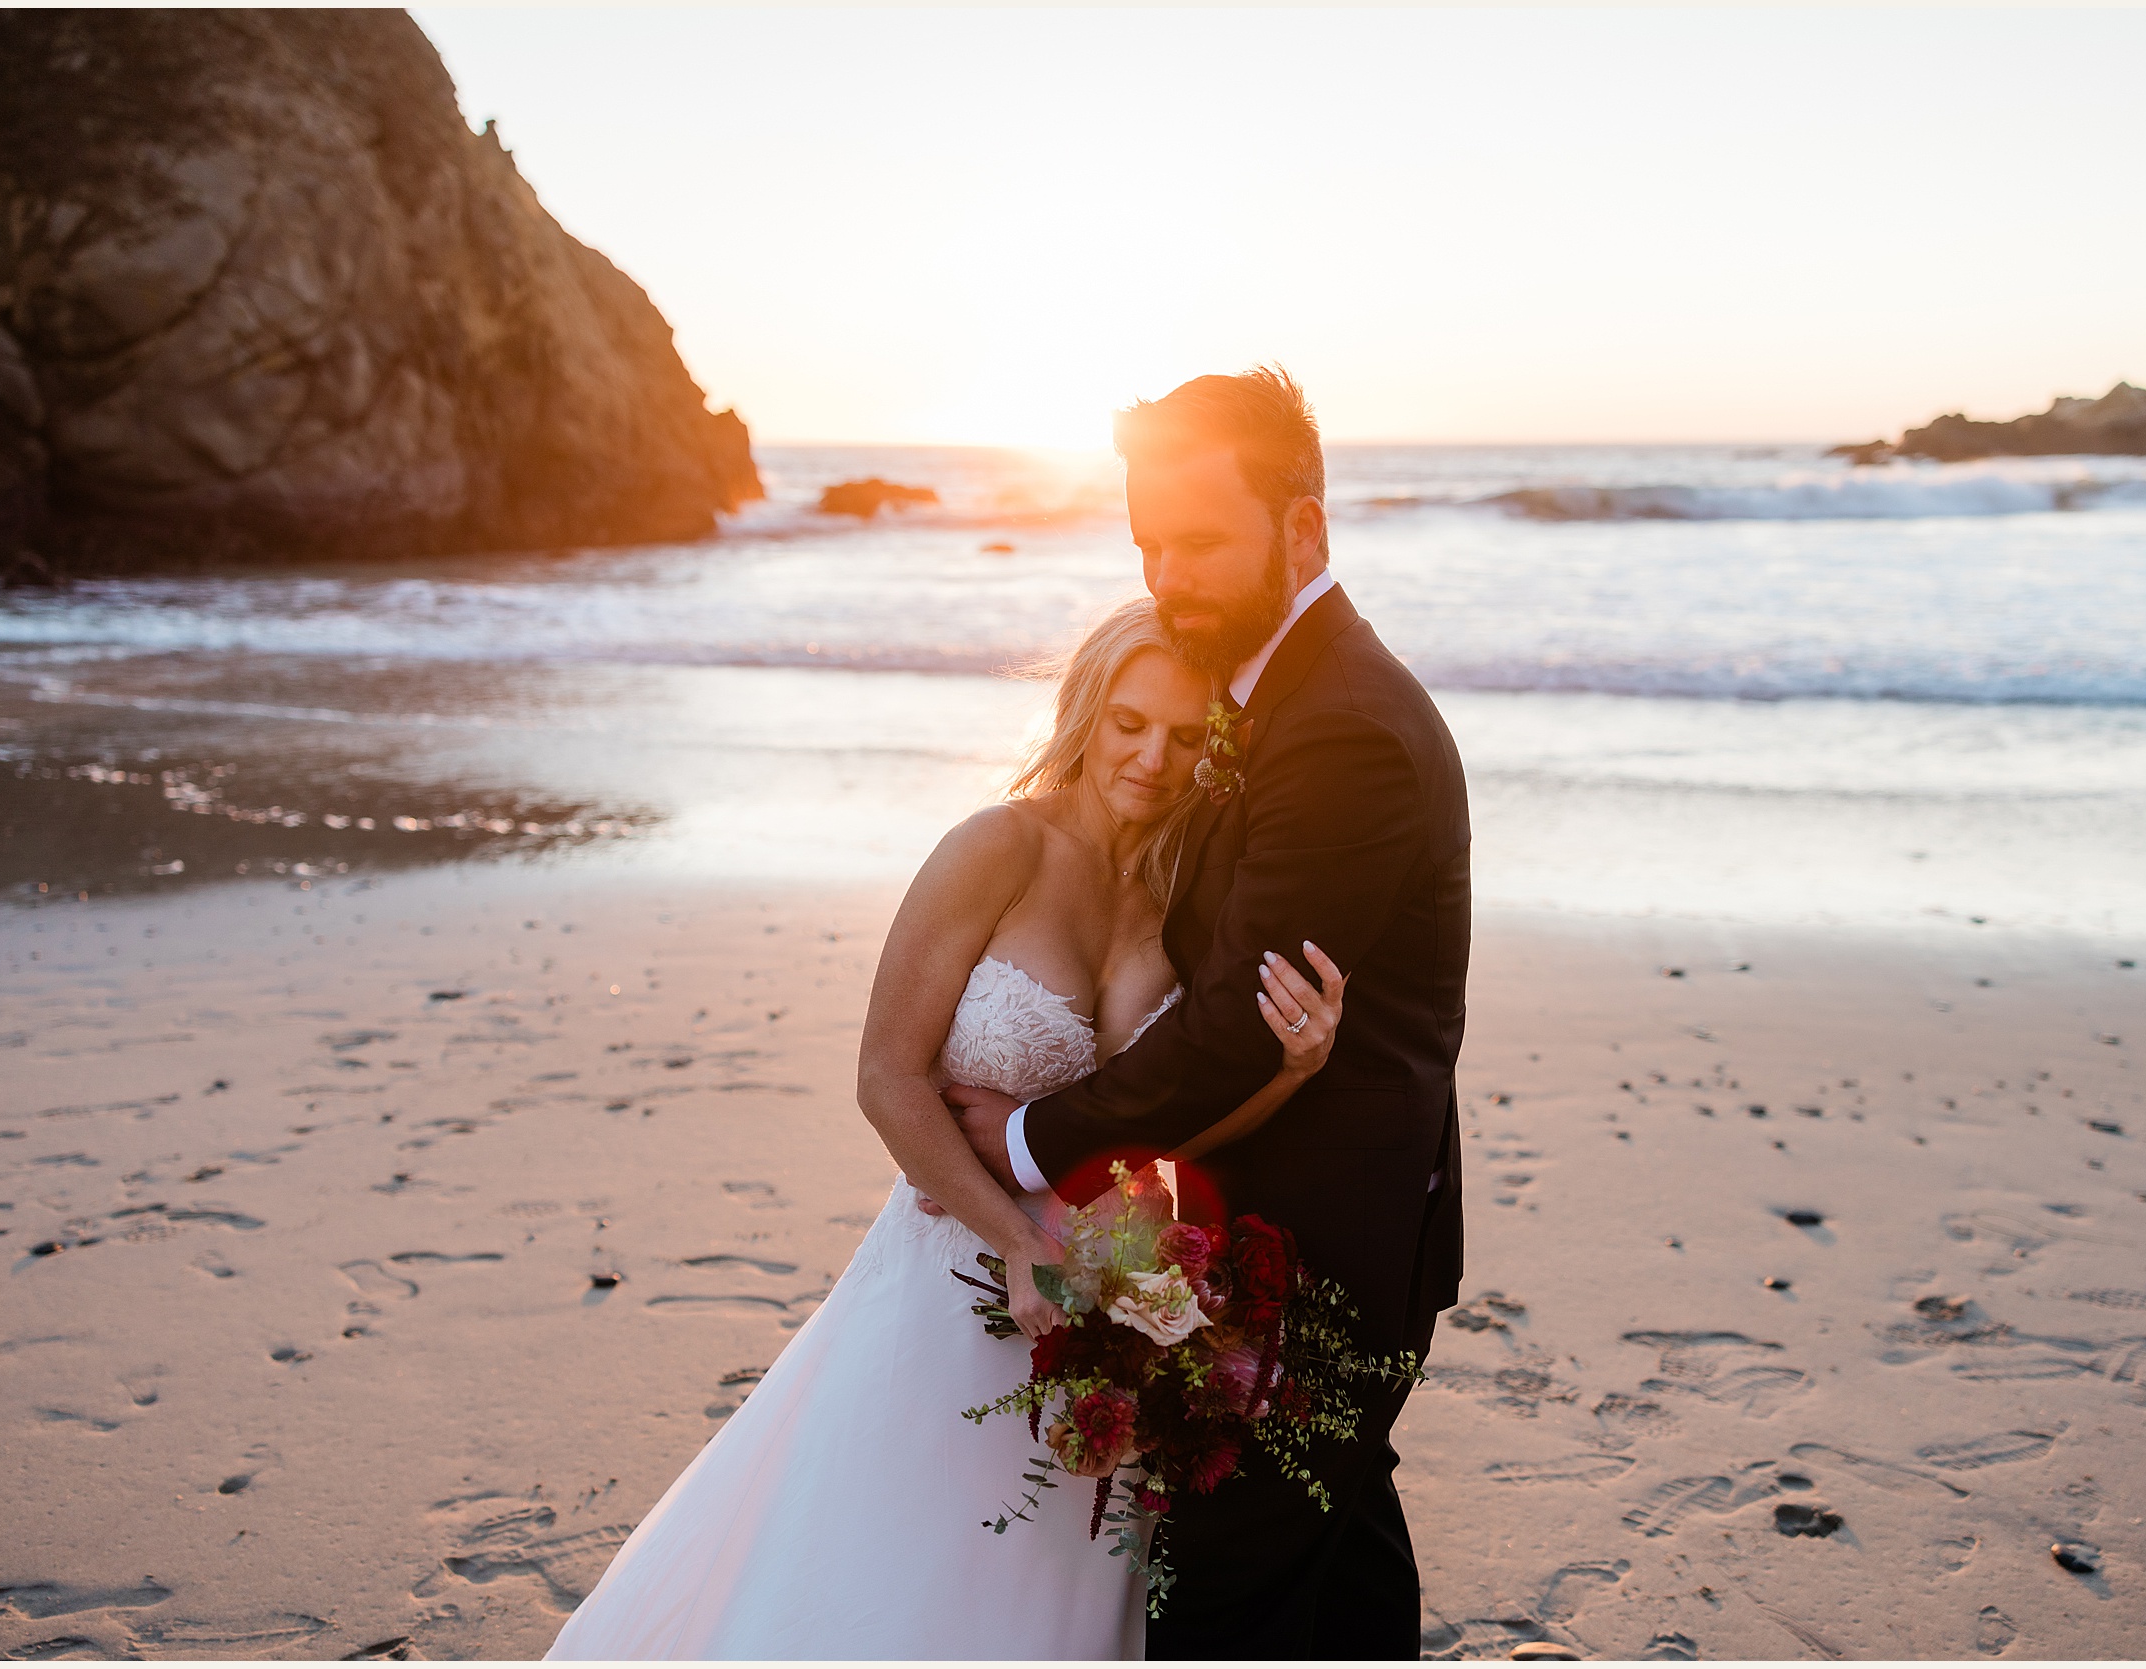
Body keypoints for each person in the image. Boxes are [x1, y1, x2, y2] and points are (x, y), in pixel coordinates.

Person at [544, 596, 1350, 1660]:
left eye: (1186, 736)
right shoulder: (996, 849)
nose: (1152, 758)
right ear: (1085, 711)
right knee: (880, 1585)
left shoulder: (1185, 899)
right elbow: (886, 1077)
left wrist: (1296, 1070)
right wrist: (1022, 1242)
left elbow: (1176, 1129)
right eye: (1127, 722)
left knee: (1045, 1595)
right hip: (947, 1281)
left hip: (1104, 1302)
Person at [943, 366, 1472, 1658]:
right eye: (1146, 543)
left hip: (1323, 1242)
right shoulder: (1275, 696)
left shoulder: (1341, 728)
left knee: (1233, 1589)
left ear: (1303, 531)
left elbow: (1238, 1023)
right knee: (1331, 1559)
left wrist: (1018, 1144)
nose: (1167, 575)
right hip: (1305, 1218)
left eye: (1199, 542)